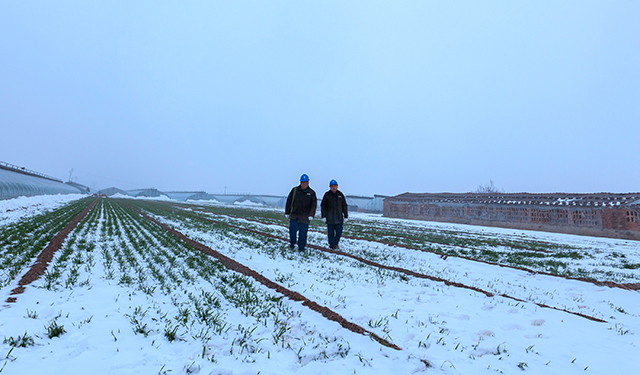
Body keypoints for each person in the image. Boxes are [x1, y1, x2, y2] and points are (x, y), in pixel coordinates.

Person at [285, 174, 317, 252]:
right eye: (303, 182)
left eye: (306, 182)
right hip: (294, 215)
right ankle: (292, 244)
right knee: (292, 231)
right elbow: (289, 201)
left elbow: (314, 205)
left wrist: (311, 215)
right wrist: (287, 212)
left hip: (305, 218)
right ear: (300, 182)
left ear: (308, 183)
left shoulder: (311, 193)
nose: (304, 184)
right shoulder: (295, 190)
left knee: (303, 233)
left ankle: (301, 247)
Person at [320, 179, 348, 249]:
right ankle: (332, 245)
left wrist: (346, 215)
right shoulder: (327, 195)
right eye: (332, 186)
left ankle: (336, 243)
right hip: (330, 218)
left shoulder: (340, 195)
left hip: (339, 218)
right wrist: (323, 216)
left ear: (337, 187)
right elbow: (323, 206)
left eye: (335, 186)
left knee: (339, 232)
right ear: (330, 187)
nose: (334, 187)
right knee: (330, 233)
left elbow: (344, 205)